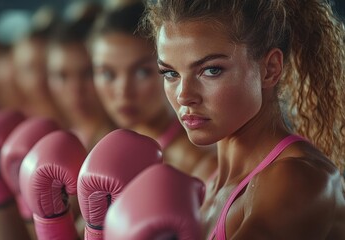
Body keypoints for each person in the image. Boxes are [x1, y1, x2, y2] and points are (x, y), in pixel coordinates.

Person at [145, 0, 345, 238]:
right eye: (171, 73)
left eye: (211, 70)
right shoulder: (205, 187)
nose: (184, 96)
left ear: (270, 69)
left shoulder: (298, 179)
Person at [89, 1, 217, 181]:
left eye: (142, 72)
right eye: (108, 74)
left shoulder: (195, 164)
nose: (124, 91)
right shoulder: (99, 143)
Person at [47, 3, 115, 151]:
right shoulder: (55, 141)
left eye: (88, 73)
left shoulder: (135, 144)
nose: (76, 89)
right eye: (62, 76)